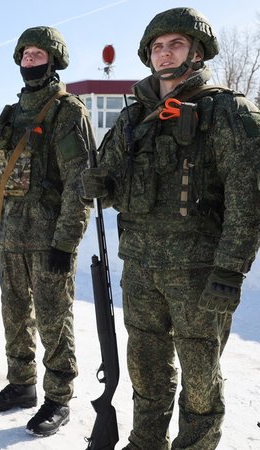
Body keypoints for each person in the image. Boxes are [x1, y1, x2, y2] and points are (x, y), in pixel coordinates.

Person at [81, 8, 260, 448]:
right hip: (139, 268)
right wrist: (98, 184)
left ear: (197, 52)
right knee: (145, 369)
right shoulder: (133, 116)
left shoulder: (227, 111)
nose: (165, 53)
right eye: (157, 47)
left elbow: (248, 198)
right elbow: (112, 181)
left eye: (175, 44)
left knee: (200, 378)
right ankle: (145, 442)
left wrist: (230, 269)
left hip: (199, 274)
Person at [0, 27, 94, 437]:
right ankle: (21, 384)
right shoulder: (11, 115)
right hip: (10, 237)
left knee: (53, 320)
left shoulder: (68, 112)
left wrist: (65, 242)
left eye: (38, 54)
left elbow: (80, 184)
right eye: (25, 54)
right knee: (14, 315)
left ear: (54, 60)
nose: (30, 60)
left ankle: (58, 398)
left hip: (48, 241)